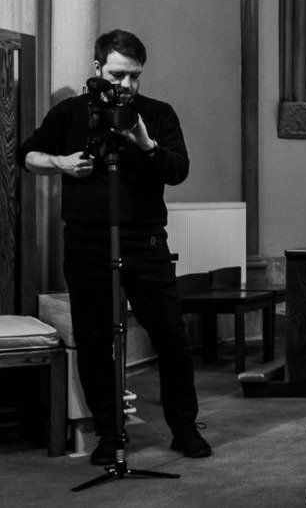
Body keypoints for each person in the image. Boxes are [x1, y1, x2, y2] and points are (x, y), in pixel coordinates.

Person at [18, 29, 210, 464]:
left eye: (135, 76)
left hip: (145, 241)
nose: (126, 86)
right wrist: (62, 162)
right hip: (86, 241)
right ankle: (109, 433)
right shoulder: (69, 113)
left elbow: (178, 170)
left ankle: (184, 429)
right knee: (93, 339)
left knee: (172, 337)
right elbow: (27, 155)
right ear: (98, 68)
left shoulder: (157, 114)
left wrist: (145, 143)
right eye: (118, 75)